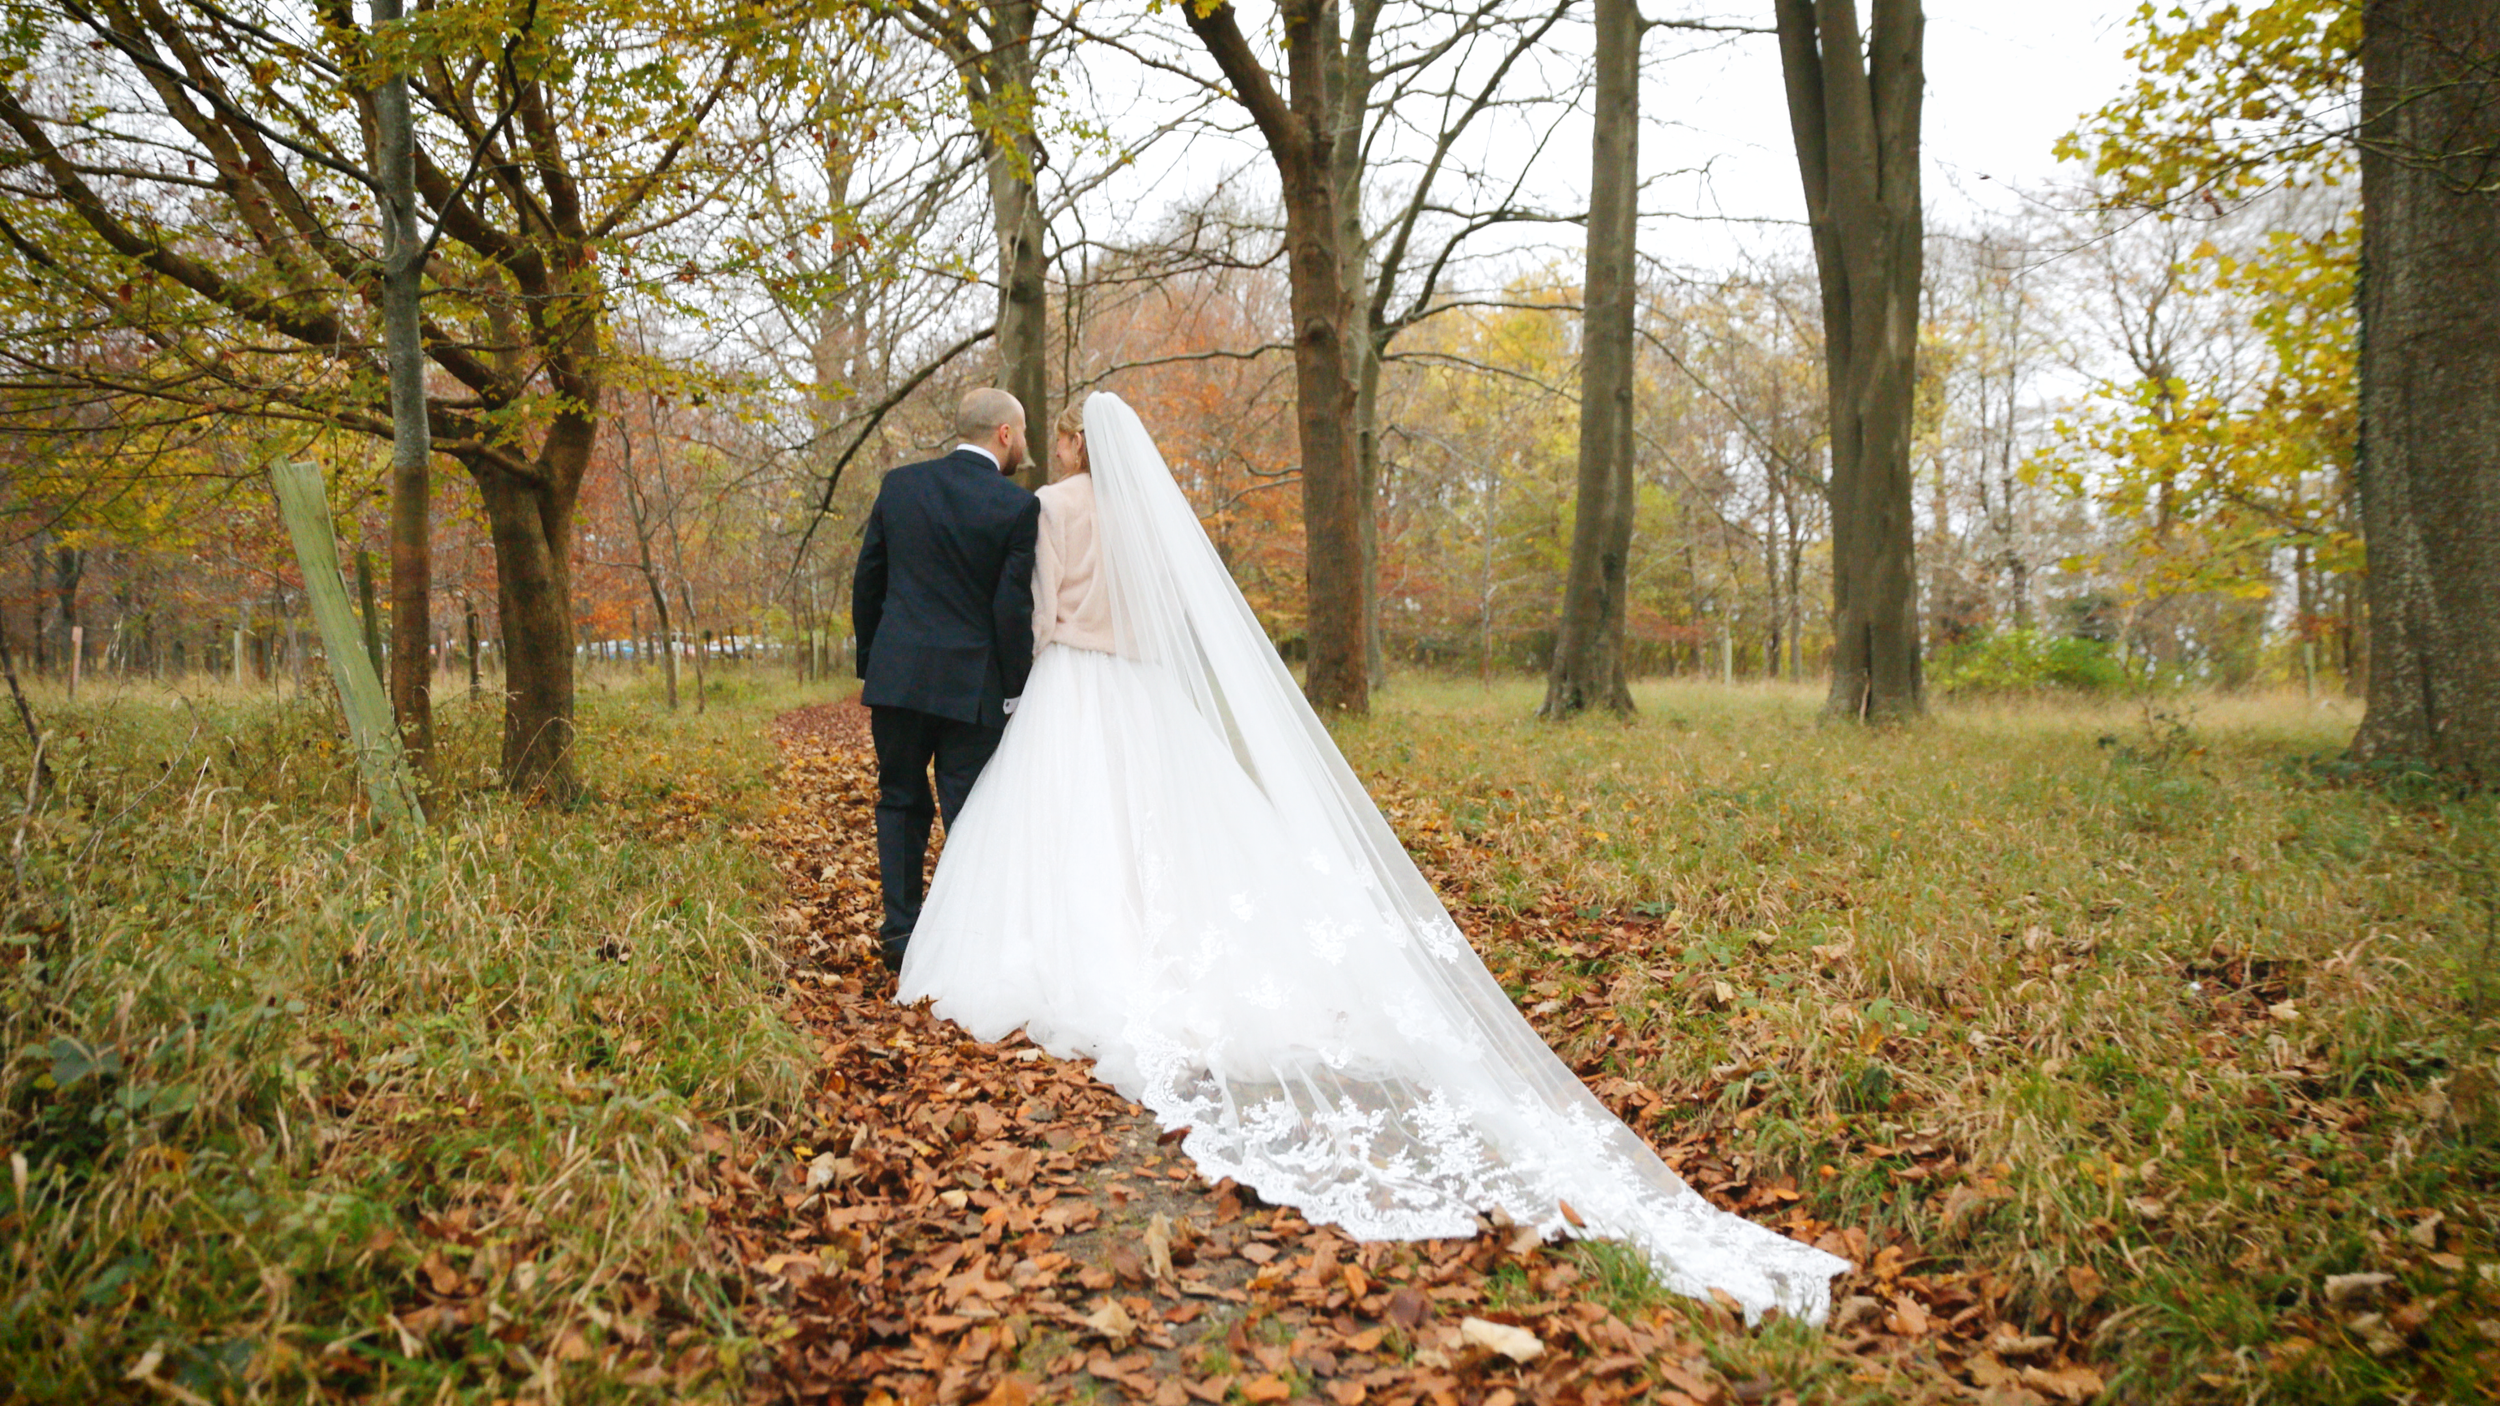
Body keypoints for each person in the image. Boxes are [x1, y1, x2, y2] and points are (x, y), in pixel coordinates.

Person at [899, 393, 1849, 1324]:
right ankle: (1161, 939)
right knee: (1165, 829)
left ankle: (1087, 947)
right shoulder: (1153, 517)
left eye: (1061, 437)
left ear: (1067, 444)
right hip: (1144, 692)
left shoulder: (1051, 507)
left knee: (1074, 828)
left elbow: (1035, 612)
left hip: (1073, 683)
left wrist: (1025, 686)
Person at [851, 387, 1040, 972]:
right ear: (1004, 434)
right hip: (972, 688)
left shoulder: (900, 487)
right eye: (1023, 435)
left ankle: (901, 936)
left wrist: (874, 663)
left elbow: (868, 583)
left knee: (900, 802)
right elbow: (1011, 610)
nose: (1025, 447)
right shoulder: (1015, 507)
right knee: (969, 813)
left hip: (900, 680)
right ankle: (963, 940)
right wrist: (1016, 688)